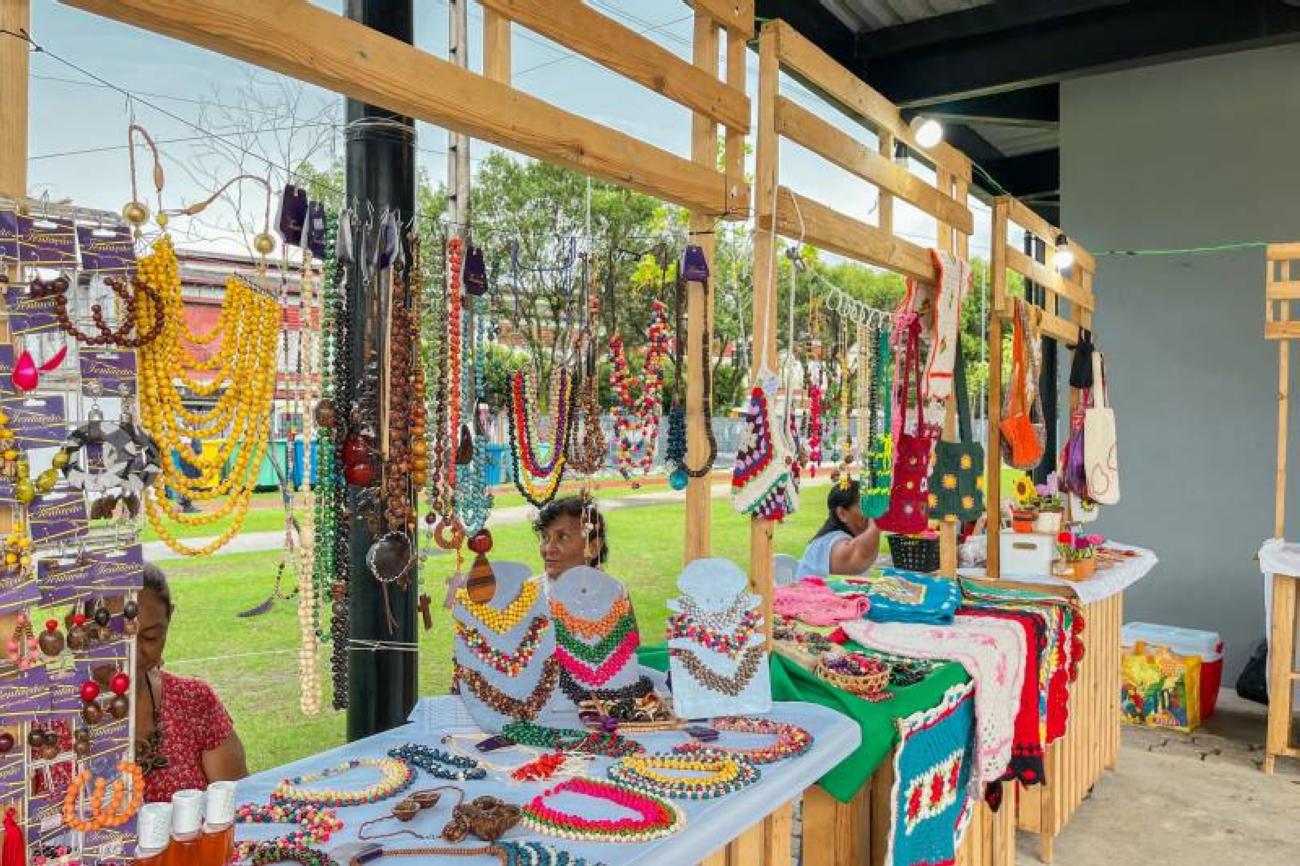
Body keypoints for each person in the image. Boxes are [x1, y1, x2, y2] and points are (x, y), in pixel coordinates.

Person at [135, 562, 248, 802]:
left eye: (150, 637)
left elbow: (239, 803)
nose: (133, 652)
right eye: (117, 637)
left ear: (169, 619)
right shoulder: (51, 722)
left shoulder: (193, 701)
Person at [796, 478, 883, 578]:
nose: (871, 511)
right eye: (864, 506)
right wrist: (877, 523)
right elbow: (859, 558)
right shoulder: (833, 541)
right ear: (842, 514)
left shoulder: (838, 536)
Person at [534, 495, 608, 580]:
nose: (548, 549)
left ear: (593, 547)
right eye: (545, 538)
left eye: (563, 537)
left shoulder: (612, 591)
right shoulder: (526, 590)